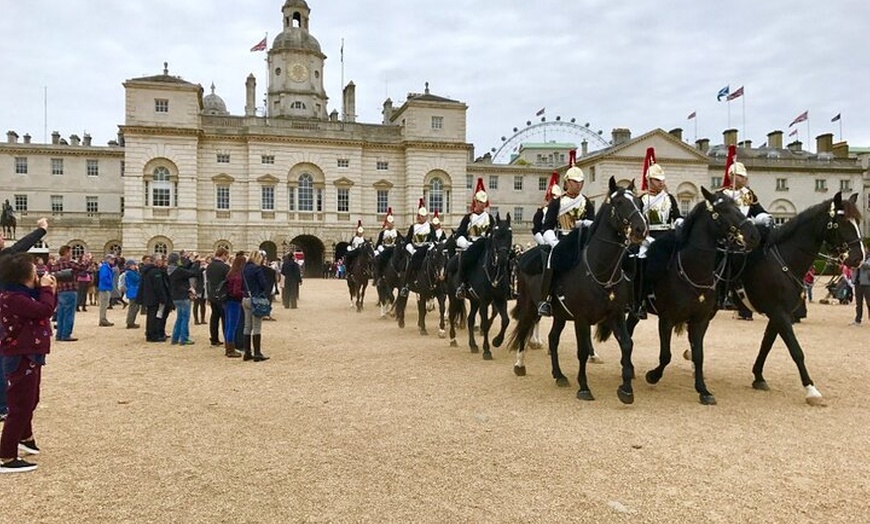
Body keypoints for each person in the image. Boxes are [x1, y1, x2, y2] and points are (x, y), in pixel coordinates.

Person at [0, 252, 57, 472]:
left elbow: (47, 305)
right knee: (20, 406)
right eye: (35, 271)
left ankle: (25, 436)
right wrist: (44, 290)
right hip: (21, 354)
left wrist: (49, 289)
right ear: (23, 276)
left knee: (30, 399)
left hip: (30, 352)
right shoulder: (13, 298)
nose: (38, 274)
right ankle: (6, 455)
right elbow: (44, 309)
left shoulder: (20, 294)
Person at [537, 151, 596, 316]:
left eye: (581, 182)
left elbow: (593, 222)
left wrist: (585, 223)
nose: (578, 185)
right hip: (562, 239)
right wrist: (555, 242)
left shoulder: (586, 202)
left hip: (582, 239)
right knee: (551, 261)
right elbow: (547, 227)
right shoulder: (557, 203)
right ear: (567, 182)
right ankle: (546, 300)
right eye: (575, 182)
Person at [720, 144, 773, 320]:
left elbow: (758, 209)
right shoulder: (723, 194)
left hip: (747, 236)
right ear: (733, 176)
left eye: (745, 177)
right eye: (742, 177)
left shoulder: (748, 194)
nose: (745, 180)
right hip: (728, 236)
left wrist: (764, 217)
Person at [632, 148, 684, 318]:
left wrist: (680, 221)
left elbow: (676, 215)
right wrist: (644, 239)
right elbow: (637, 224)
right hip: (647, 238)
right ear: (649, 180)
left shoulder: (669, 198)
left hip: (667, 236)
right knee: (640, 263)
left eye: (662, 180)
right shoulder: (641, 200)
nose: (661, 183)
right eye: (657, 180)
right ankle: (639, 301)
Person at [455, 178, 495, 299]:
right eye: (480, 202)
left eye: (484, 202)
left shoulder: (490, 218)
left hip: (486, 245)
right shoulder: (468, 218)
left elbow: (493, 233)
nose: (482, 205)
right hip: (471, 245)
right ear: (475, 202)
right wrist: (466, 244)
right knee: (465, 259)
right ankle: (462, 285)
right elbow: (459, 234)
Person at [50, 245, 91, 342]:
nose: (71, 254)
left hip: (60, 291)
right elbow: (82, 267)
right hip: (70, 290)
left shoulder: (56, 264)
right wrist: (87, 260)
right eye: (70, 252)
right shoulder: (70, 263)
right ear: (66, 252)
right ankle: (66, 334)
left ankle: (59, 334)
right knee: (69, 313)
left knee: (61, 313)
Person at [400, 199, 433, 297]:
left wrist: (431, 247)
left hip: (427, 249)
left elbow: (434, 239)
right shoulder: (413, 227)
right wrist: (412, 250)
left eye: (422, 216)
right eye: (419, 216)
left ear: (426, 217)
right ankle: (405, 285)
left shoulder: (430, 227)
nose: (420, 218)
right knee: (411, 263)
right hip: (416, 250)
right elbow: (407, 241)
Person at [242, 250, 270, 361]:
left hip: (245, 298)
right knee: (257, 327)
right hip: (255, 298)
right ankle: (257, 353)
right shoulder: (257, 269)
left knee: (247, 326)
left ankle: (247, 352)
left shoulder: (244, 269)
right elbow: (263, 284)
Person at [167, 252, 199, 345]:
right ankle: (184, 338)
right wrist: (196, 263)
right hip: (183, 295)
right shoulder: (179, 270)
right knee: (185, 318)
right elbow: (192, 273)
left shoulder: (170, 269)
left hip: (175, 296)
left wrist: (190, 261)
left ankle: (175, 338)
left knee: (179, 317)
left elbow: (184, 269)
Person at [222, 253, 245, 358]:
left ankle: (228, 347)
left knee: (228, 325)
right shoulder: (238, 276)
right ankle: (230, 349)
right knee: (232, 326)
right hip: (234, 301)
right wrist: (244, 293)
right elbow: (236, 291)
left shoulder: (230, 273)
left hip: (227, 301)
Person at [206, 247, 230, 346]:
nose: (227, 257)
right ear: (223, 254)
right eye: (226, 255)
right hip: (222, 295)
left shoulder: (209, 266)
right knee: (225, 318)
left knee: (214, 317)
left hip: (212, 294)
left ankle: (214, 338)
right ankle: (227, 339)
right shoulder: (225, 267)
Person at [533, 172, 562, 246]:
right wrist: (542, 242)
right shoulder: (542, 210)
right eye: (553, 196)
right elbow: (536, 228)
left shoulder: (560, 208)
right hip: (543, 239)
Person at [374, 208, 399, 285]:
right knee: (379, 260)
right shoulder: (383, 233)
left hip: (394, 249)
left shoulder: (396, 232)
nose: (390, 224)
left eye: (391, 223)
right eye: (389, 223)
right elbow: (378, 243)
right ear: (387, 223)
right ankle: (379, 276)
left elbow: (401, 241)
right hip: (385, 249)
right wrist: (378, 250)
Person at [97, 254, 116, 326]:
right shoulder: (105, 267)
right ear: (107, 259)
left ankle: (103, 319)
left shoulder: (107, 267)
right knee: (103, 305)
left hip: (106, 287)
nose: (113, 261)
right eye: (112, 259)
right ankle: (102, 320)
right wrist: (109, 283)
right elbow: (103, 277)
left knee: (105, 305)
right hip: (104, 288)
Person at [122, 259, 141, 329]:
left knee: (135, 308)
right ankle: (130, 322)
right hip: (133, 291)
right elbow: (137, 279)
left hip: (134, 291)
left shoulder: (130, 272)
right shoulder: (130, 273)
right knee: (133, 308)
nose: (135, 266)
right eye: (133, 265)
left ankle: (131, 321)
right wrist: (138, 272)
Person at [852, 253, 870, 326]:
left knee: (869, 302)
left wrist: (860, 263)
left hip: (867, 283)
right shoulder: (858, 259)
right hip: (858, 283)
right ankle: (858, 319)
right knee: (858, 303)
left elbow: (868, 266)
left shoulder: (868, 259)